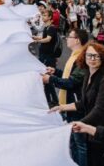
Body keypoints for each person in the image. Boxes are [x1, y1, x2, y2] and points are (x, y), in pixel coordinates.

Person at [50, 42, 104, 166]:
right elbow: (84, 102)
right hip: (92, 130)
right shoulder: (88, 75)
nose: (92, 59)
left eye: (97, 56)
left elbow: (100, 110)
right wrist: (62, 107)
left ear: (103, 59)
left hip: (103, 131)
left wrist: (78, 124)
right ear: (84, 57)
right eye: (89, 55)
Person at [42, 28, 88, 166]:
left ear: (77, 40)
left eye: (70, 36)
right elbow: (69, 76)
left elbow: (72, 83)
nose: (67, 38)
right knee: (73, 141)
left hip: (75, 105)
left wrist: (50, 79)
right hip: (69, 104)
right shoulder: (75, 55)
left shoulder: (81, 58)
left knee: (79, 143)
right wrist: (56, 71)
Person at [34, 9, 60, 106]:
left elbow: (48, 39)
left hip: (48, 57)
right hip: (44, 55)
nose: (43, 17)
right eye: (42, 15)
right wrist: (35, 37)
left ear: (49, 17)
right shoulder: (46, 27)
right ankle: (50, 99)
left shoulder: (51, 28)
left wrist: (38, 41)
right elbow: (44, 37)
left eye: (44, 15)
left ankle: (53, 100)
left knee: (48, 78)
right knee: (46, 79)